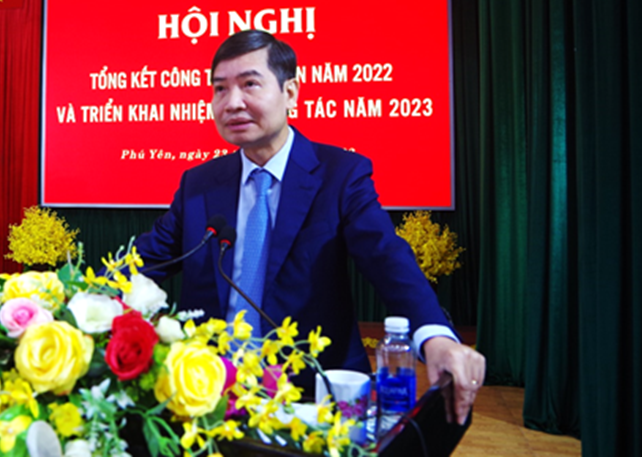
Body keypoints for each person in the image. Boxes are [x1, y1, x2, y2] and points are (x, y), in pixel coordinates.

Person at [135, 29, 485, 425]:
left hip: (313, 395)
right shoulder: (199, 184)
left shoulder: (341, 174)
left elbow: (386, 257)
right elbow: (143, 262)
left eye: (249, 84)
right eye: (219, 89)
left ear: (291, 93)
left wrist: (435, 336)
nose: (232, 102)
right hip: (206, 394)